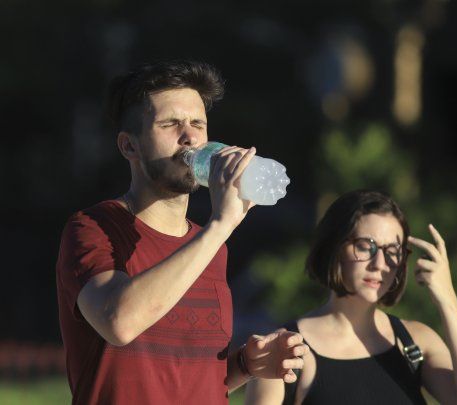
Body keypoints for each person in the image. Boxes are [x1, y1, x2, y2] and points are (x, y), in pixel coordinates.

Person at [56, 60, 308, 405]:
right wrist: (220, 227)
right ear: (129, 146)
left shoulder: (211, 246)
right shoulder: (93, 228)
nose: (189, 137)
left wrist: (247, 365)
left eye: (197, 124)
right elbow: (119, 322)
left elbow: (190, 379)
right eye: (171, 124)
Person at [245, 190, 457, 405]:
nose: (380, 264)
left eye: (393, 251)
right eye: (366, 246)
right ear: (334, 247)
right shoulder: (286, 350)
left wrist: (447, 300)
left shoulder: (415, 342)